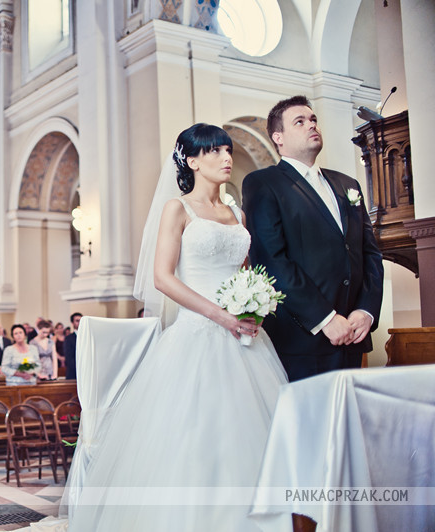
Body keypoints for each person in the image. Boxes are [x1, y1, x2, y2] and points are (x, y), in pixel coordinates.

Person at [67, 124, 288, 530]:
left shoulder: (237, 213)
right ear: (192, 160)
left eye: (228, 150)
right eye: (215, 151)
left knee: (249, 432)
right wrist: (220, 315)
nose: (226, 158)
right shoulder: (178, 208)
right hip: (197, 333)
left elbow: (243, 274)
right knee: (194, 435)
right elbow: (163, 278)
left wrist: (253, 304)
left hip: (245, 338)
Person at [242, 95, 384, 382]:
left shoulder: (347, 184)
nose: (311, 125)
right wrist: (325, 319)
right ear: (278, 137)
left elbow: (369, 253)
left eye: (313, 119)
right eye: (300, 121)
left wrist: (366, 311)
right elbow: (271, 260)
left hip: (353, 332)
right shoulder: (263, 183)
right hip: (303, 338)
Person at [62, 313, 81, 380]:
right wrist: (80, 369)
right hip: (73, 373)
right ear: (72, 323)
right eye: (77, 321)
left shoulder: (88, 337)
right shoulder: (69, 338)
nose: (80, 323)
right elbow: (69, 358)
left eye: (81, 321)